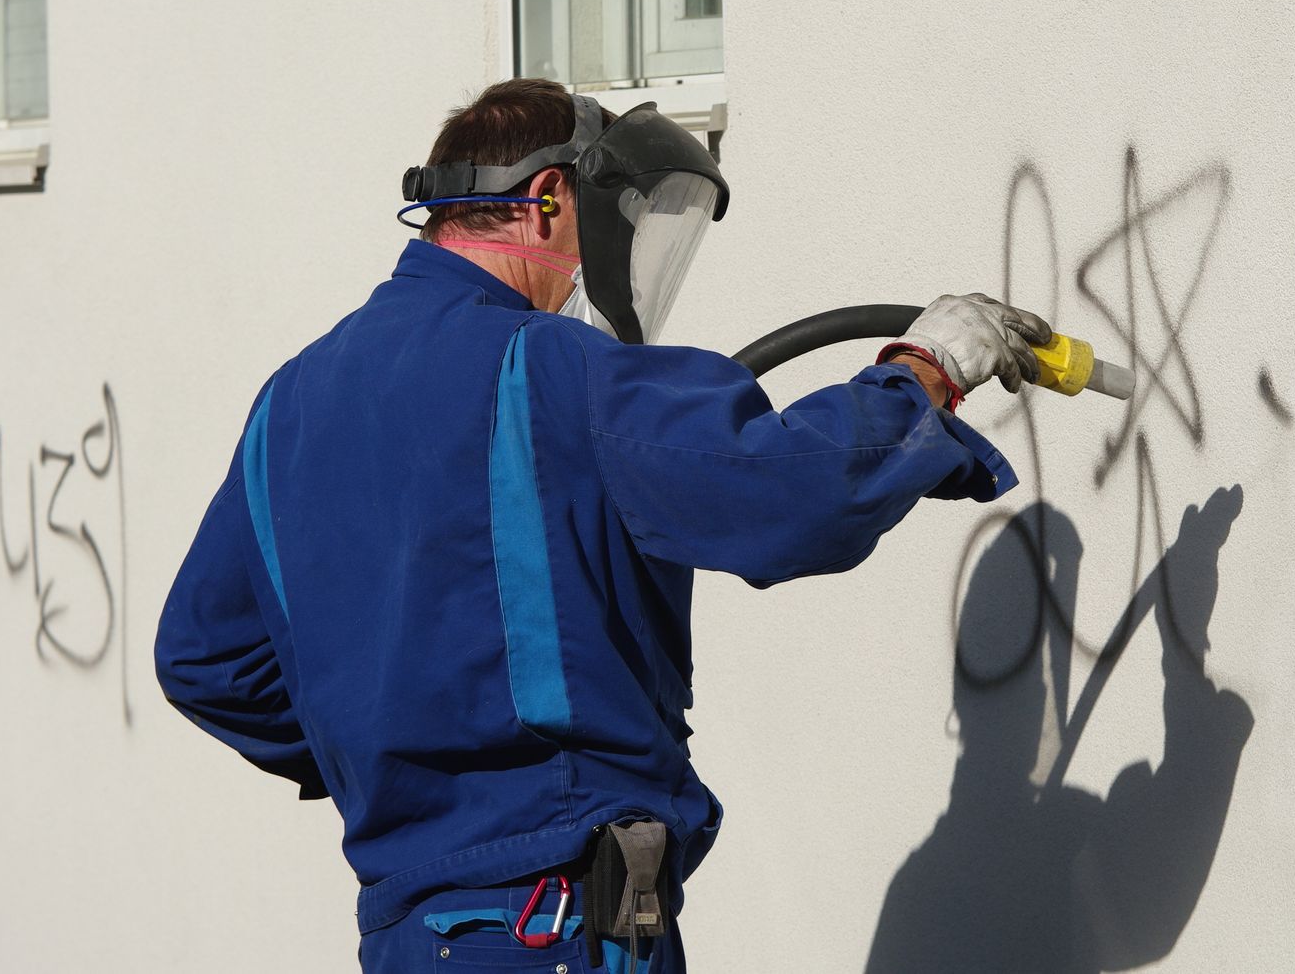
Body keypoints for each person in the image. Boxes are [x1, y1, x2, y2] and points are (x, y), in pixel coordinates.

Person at [154, 78, 1053, 973]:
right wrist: (924, 371)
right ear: (548, 202)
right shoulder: (548, 367)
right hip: (557, 922)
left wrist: (384, 748)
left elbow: (204, 660)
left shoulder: (292, 402)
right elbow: (792, 494)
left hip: (408, 939)